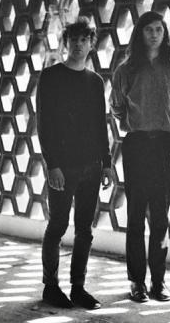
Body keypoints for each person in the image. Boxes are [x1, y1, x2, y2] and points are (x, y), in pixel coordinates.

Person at [110, 11, 170, 303]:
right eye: (149, 30)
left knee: (160, 215)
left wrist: (164, 122)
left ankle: (159, 281)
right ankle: (137, 282)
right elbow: (116, 106)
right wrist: (138, 122)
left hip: (165, 146)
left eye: (159, 29)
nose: (154, 34)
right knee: (135, 216)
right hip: (137, 143)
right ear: (140, 33)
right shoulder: (126, 70)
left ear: (164, 34)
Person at [37, 17, 114, 309]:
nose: (79, 45)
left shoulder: (95, 82)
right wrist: (52, 164)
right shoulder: (51, 77)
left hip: (91, 166)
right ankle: (50, 286)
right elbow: (44, 125)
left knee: (85, 230)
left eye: (84, 40)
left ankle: (78, 288)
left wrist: (106, 163)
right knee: (57, 225)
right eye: (74, 39)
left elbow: (100, 125)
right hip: (63, 166)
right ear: (66, 42)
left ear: (91, 44)